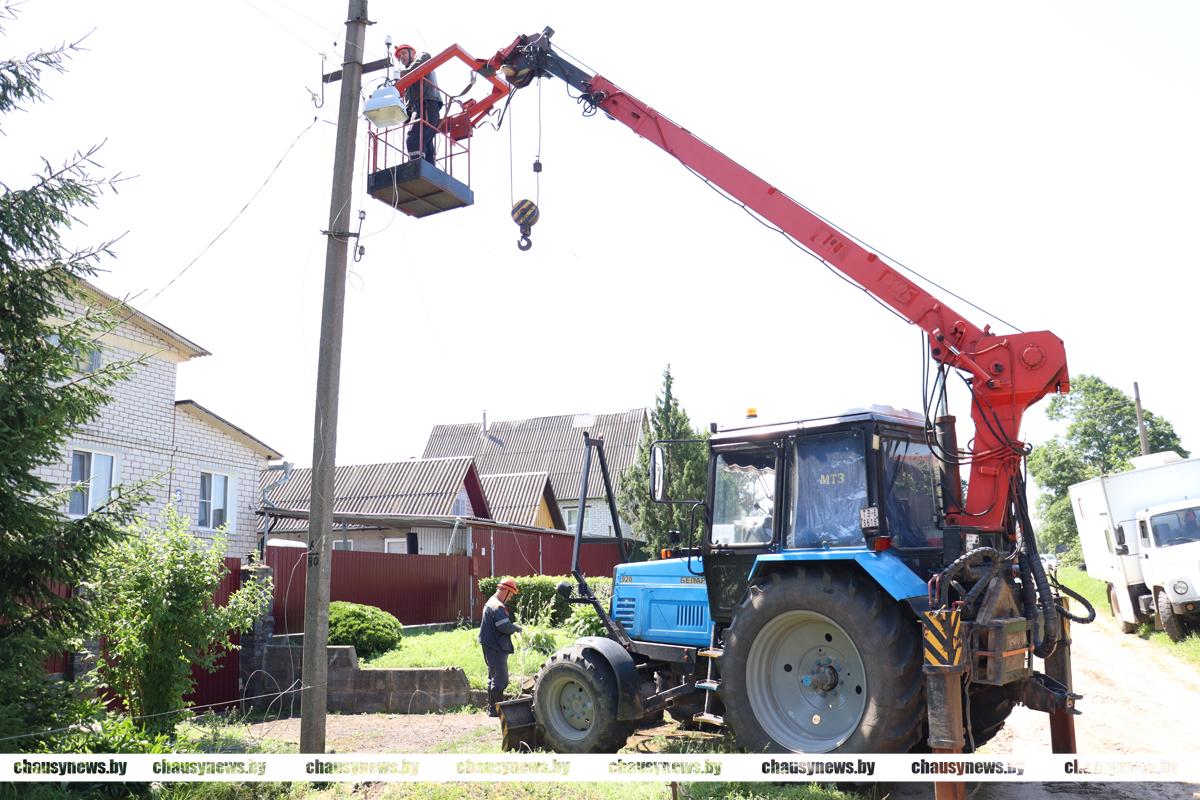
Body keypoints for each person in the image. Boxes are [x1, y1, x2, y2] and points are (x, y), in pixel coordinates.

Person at [479, 576, 522, 717]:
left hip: (490, 645)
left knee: (493, 676)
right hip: (496, 647)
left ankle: (492, 708)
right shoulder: (497, 606)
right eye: (511, 595)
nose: (510, 599)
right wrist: (515, 628)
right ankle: (495, 711)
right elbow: (503, 626)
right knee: (500, 679)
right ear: (506, 591)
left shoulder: (491, 602)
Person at [395, 44, 442, 164]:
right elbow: (409, 102)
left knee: (413, 139)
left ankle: (416, 166)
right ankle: (428, 170)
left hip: (427, 103)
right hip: (421, 107)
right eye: (399, 56)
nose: (401, 57)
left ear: (412, 53)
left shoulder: (421, 57)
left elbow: (426, 58)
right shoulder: (408, 79)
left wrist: (404, 74)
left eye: (404, 53)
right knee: (425, 142)